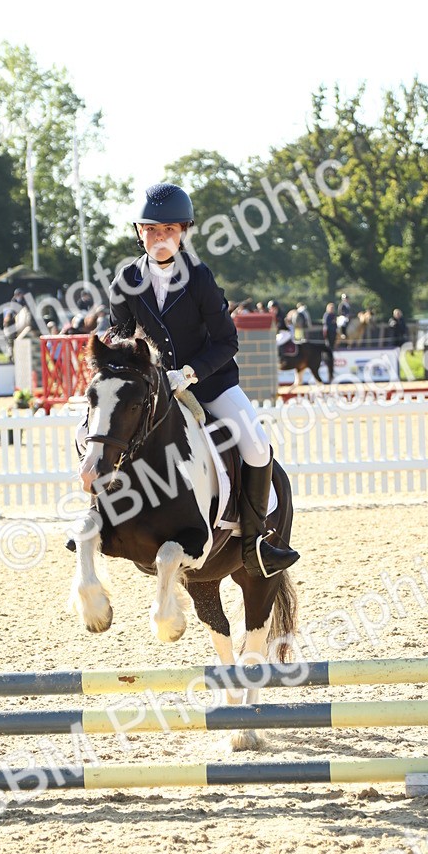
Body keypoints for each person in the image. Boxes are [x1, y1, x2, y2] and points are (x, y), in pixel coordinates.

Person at [106, 182, 299, 578]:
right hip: (155, 390)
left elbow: (227, 341)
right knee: (99, 431)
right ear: (139, 232)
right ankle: (99, 519)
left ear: (183, 232)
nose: (160, 239)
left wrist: (189, 373)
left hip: (210, 383)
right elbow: (122, 336)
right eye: (152, 231)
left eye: (169, 231)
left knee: (258, 449)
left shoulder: (199, 278)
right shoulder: (126, 280)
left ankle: (256, 544)